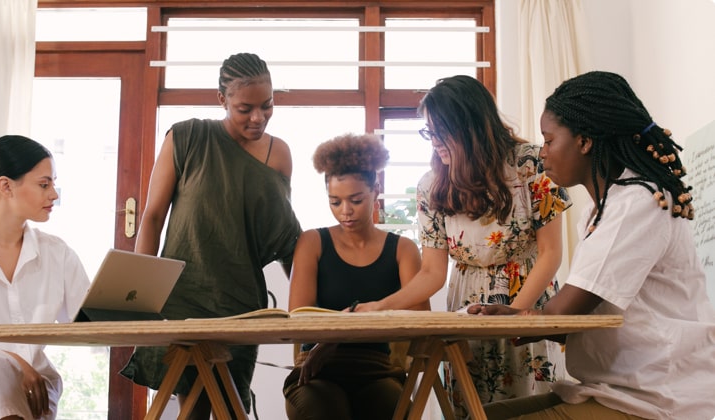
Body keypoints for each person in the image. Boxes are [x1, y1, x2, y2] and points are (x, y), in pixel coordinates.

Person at [470, 70, 715, 420]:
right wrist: (523, 318)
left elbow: (564, 314)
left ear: (584, 142)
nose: (543, 153)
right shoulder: (600, 210)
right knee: (481, 414)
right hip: (614, 388)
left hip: (659, 397)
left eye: (549, 141)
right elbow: (585, 319)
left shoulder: (638, 203)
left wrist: (523, 318)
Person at [354, 75, 572, 413]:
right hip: (467, 308)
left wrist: (514, 316)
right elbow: (431, 272)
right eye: (429, 132)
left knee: (530, 409)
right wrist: (381, 306)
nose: (435, 143)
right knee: (472, 408)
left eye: (441, 132)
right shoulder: (431, 186)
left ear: (470, 126)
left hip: (526, 298)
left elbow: (551, 253)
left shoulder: (531, 163)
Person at [119, 52, 302, 418]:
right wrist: (140, 295)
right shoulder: (187, 137)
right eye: (245, 108)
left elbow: (286, 238)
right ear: (222, 100)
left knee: (231, 406)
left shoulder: (278, 154)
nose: (258, 117)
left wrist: (310, 311)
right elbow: (152, 217)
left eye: (267, 106)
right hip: (182, 299)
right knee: (194, 405)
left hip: (240, 304)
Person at [282, 133, 430, 420]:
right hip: (316, 371)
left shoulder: (403, 250)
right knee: (327, 411)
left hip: (379, 371)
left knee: (390, 408)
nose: (345, 212)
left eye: (356, 200)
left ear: (376, 190)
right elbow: (299, 320)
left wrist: (337, 334)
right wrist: (351, 326)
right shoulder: (312, 242)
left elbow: (419, 320)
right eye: (335, 202)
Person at [0, 135, 90, 420]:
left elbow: (89, 322)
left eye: (53, 184)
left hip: (34, 386)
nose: (54, 194)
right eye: (44, 184)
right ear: (6, 186)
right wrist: (13, 362)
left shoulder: (57, 253)